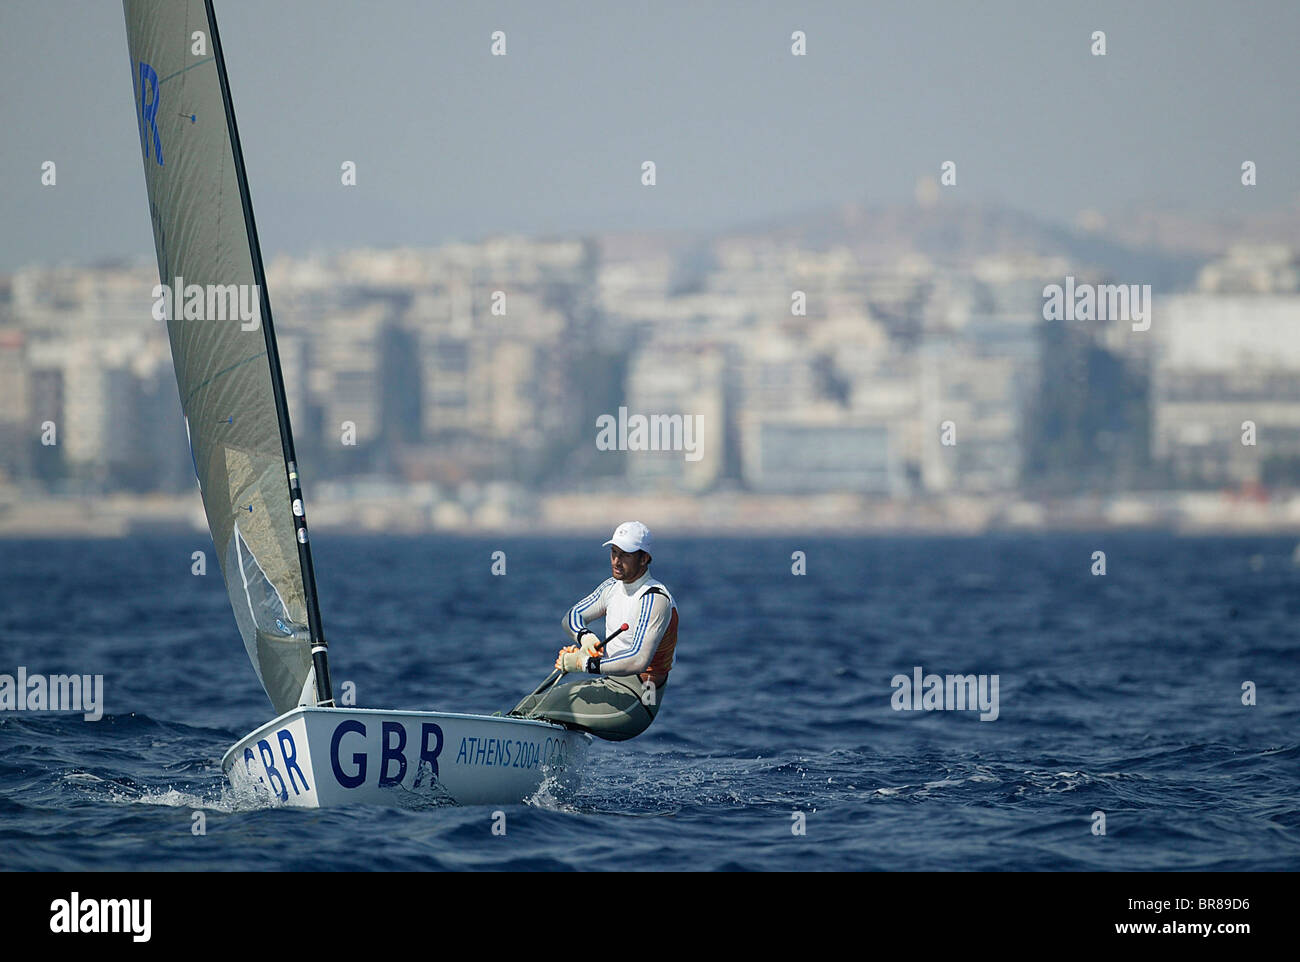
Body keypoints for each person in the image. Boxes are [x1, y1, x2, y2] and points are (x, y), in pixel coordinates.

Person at [508, 521, 678, 740]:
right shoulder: (611, 588)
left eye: (625, 555)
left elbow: (638, 660)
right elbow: (571, 616)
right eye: (614, 552)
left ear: (644, 558)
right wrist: (585, 637)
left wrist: (583, 663)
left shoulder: (654, 598)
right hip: (611, 684)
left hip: (642, 698)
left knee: (532, 710)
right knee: (530, 703)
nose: (616, 561)